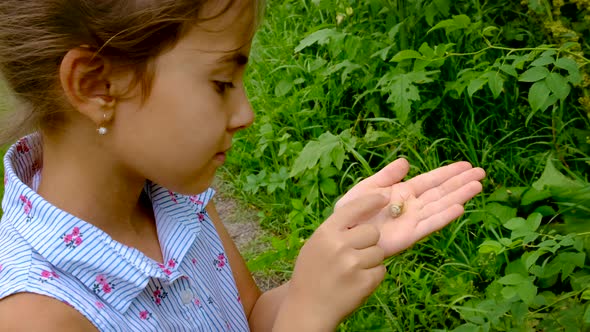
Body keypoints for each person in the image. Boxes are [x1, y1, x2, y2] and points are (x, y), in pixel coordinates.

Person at [0, 0, 486, 331]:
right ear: (95, 85)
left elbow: (251, 316)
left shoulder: (173, 198)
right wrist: (304, 320)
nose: (246, 114)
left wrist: (325, 271)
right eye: (221, 83)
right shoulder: (38, 313)